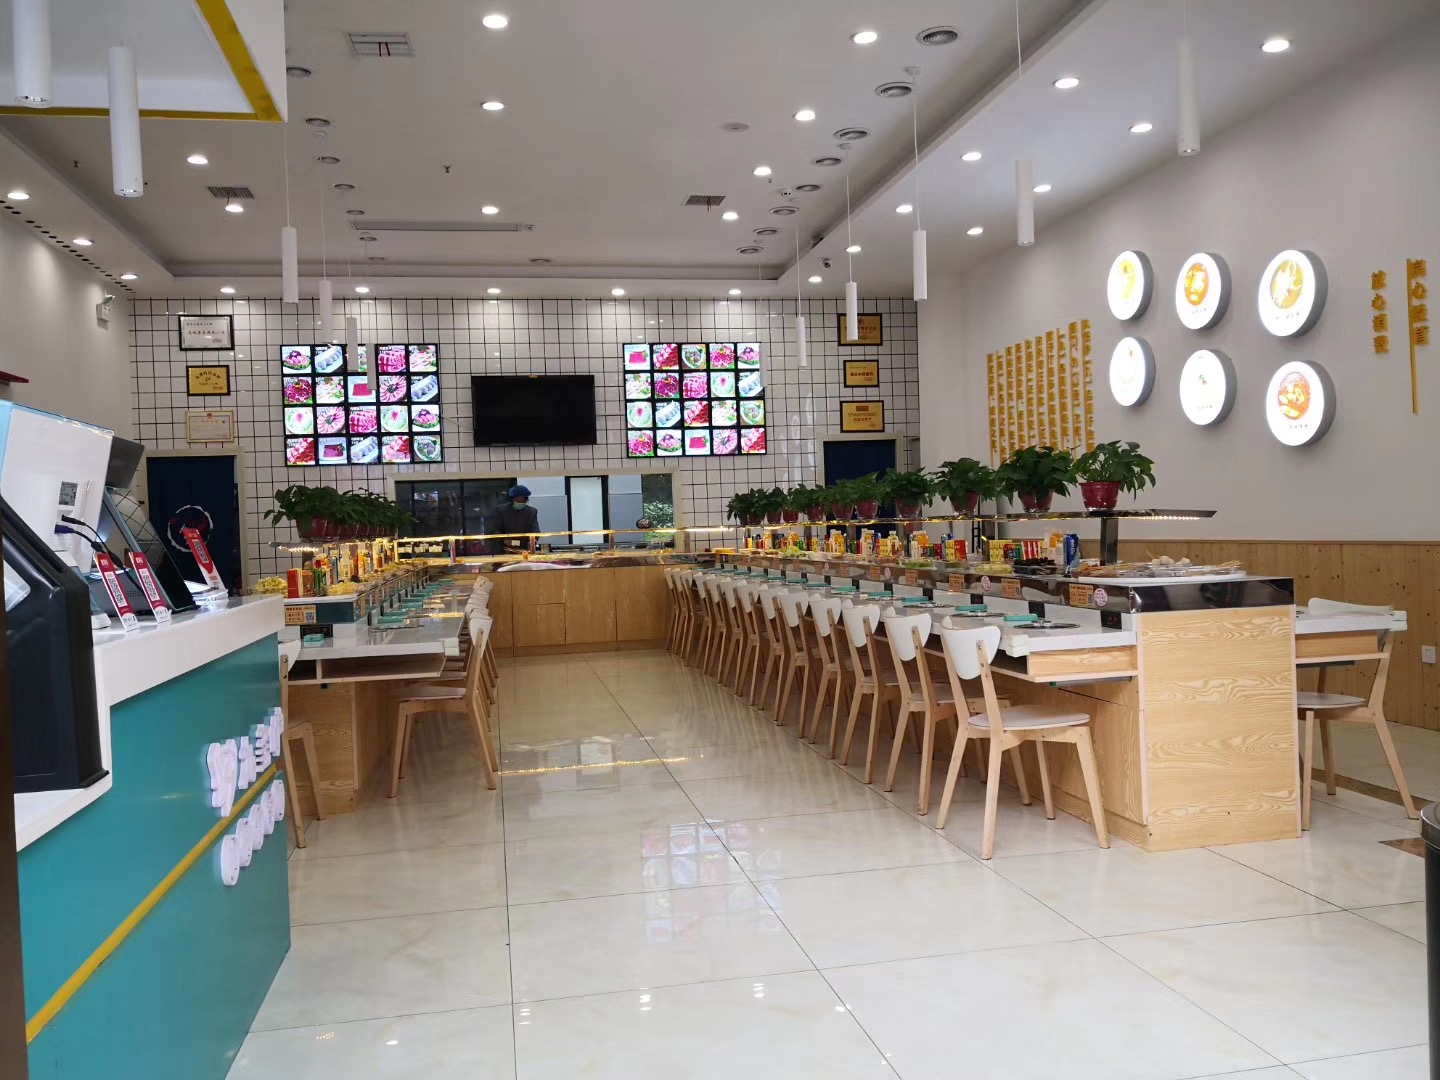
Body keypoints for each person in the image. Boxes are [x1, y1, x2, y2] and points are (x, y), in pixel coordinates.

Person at [488, 485, 539, 553]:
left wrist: (533, 540)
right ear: (513, 499)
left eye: (523, 501)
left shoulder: (532, 512)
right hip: (504, 550)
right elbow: (493, 530)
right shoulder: (501, 510)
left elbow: (535, 530)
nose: (521, 502)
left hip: (524, 550)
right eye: (518, 500)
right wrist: (504, 539)